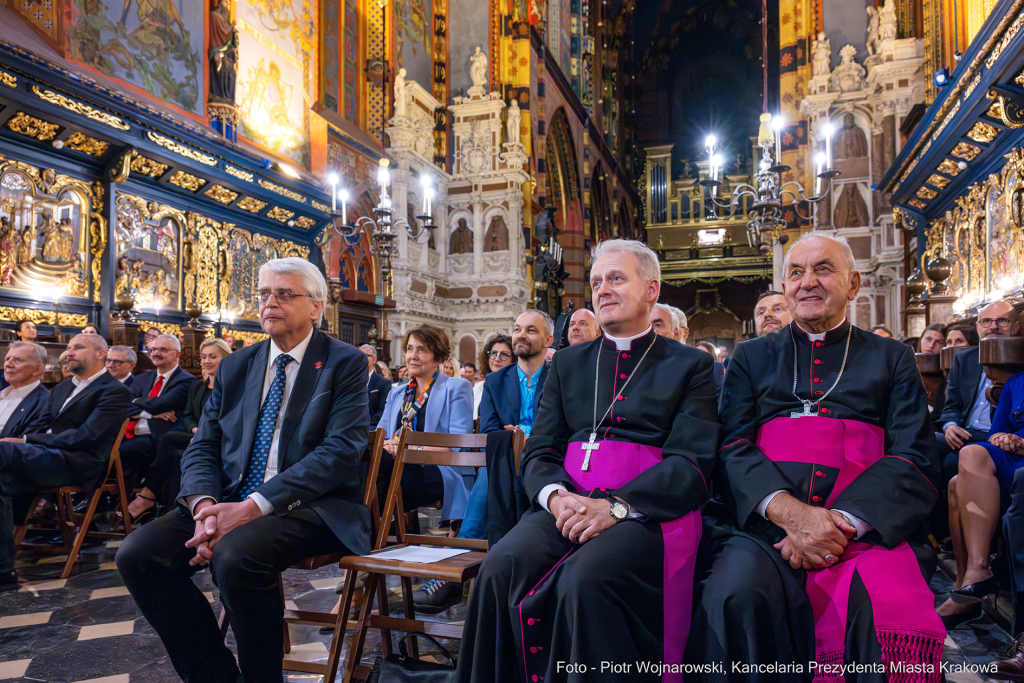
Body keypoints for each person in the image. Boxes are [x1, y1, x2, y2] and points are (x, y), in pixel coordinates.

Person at [455, 239, 720, 683]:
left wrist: (615, 507)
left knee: (586, 581)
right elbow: (541, 448)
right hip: (569, 503)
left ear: (652, 288)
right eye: (597, 281)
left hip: (647, 511)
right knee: (499, 568)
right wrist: (556, 498)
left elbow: (693, 463)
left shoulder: (690, 366)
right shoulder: (568, 364)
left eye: (617, 278)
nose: (603, 289)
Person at [688, 233, 944, 679]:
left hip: (861, 525)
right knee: (735, 592)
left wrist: (837, 524)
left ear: (854, 283)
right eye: (796, 272)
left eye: (823, 269)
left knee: (892, 607)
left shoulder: (892, 357)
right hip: (765, 527)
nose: (808, 282)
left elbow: (914, 454)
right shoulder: (751, 357)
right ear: (785, 286)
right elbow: (730, 444)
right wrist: (790, 515)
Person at [116, 257, 371, 683]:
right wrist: (205, 506)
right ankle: (215, 677)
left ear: (316, 307)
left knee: (236, 558)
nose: (270, 302)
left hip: (310, 505)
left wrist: (252, 506)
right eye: (264, 294)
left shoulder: (343, 362)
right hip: (227, 500)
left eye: (285, 294)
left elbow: (340, 452)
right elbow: (204, 445)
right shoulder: (238, 365)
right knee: (138, 556)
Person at [418, 311, 555, 613]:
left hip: (546, 461)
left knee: (500, 460)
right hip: (505, 461)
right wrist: (514, 440)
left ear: (548, 340)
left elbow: (562, 425)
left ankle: (455, 573)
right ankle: (489, 580)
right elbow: (491, 429)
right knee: (502, 453)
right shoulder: (496, 381)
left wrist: (525, 437)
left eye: (531, 330)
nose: (521, 334)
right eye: (517, 329)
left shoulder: (558, 374)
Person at [1, 334, 132, 589]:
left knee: (4, 450)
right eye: (69, 347)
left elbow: (87, 437)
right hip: (44, 458)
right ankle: (4, 571)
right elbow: (40, 426)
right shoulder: (61, 388)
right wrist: (33, 440)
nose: (69, 352)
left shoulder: (114, 390)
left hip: (77, 464)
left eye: (78, 347)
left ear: (100, 354)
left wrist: (28, 440)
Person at [939, 367, 1024, 627]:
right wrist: (1001, 438)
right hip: (1011, 459)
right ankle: (971, 576)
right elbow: (995, 431)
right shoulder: (1016, 381)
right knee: (970, 457)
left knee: (958, 482)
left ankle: (971, 588)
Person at [124, 338, 232, 523]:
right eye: (203, 357)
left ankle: (149, 495)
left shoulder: (232, 387)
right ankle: (172, 511)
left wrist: (203, 434)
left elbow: (230, 418)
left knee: (170, 439)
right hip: (194, 435)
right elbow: (188, 416)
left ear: (226, 359)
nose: (206, 361)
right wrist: (196, 429)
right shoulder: (198, 386)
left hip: (220, 439)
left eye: (212, 357)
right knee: (176, 455)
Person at [377, 325, 473, 522]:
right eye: (410, 348)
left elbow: (455, 445)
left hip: (440, 468)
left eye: (422, 350)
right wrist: (389, 445)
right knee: (365, 474)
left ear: (438, 358)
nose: (413, 355)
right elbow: (382, 435)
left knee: (376, 485)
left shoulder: (456, 387)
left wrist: (408, 448)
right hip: (397, 465)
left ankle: (374, 535)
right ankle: (376, 535)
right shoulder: (396, 393)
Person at [940, 301, 1018, 494]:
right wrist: (949, 425)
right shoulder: (964, 358)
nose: (993, 326)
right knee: (922, 446)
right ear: (977, 327)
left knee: (952, 462)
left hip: (995, 435)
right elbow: (952, 405)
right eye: (986, 321)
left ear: (1016, 327)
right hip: (964, 431)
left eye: (1002, 321)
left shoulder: (1019, 360)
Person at [119, 334, 199, 479]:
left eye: (162, 349)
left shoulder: (186, 381)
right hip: (127, 434)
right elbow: (122, 405)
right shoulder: (142, 378)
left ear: (177, 354)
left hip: (155, 438)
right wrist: (149, 413)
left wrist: (135, 401)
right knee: (96, 450)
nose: (156, 353)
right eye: (153, 349)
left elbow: (159, 404)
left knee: (118, 455)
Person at [0, 342, 50, 438]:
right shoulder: (2, 394)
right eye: (7, 359)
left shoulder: (46, 403)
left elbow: (30, 446)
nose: (8, 364)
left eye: (17, 360)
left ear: (37, 369)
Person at [474, 334, 514, 418]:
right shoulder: (479, 387)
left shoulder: (516, 388)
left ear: (514, 359)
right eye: (493, 353)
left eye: (504, 354)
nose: (497, 358)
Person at [360, 344, 391, 427]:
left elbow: (382, 413)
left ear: (374, 360)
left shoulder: (383, 383)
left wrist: (361, 422)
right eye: (358, 355)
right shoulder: (351, 380)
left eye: (364, 356)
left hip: (371, 426)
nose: (360, 359)